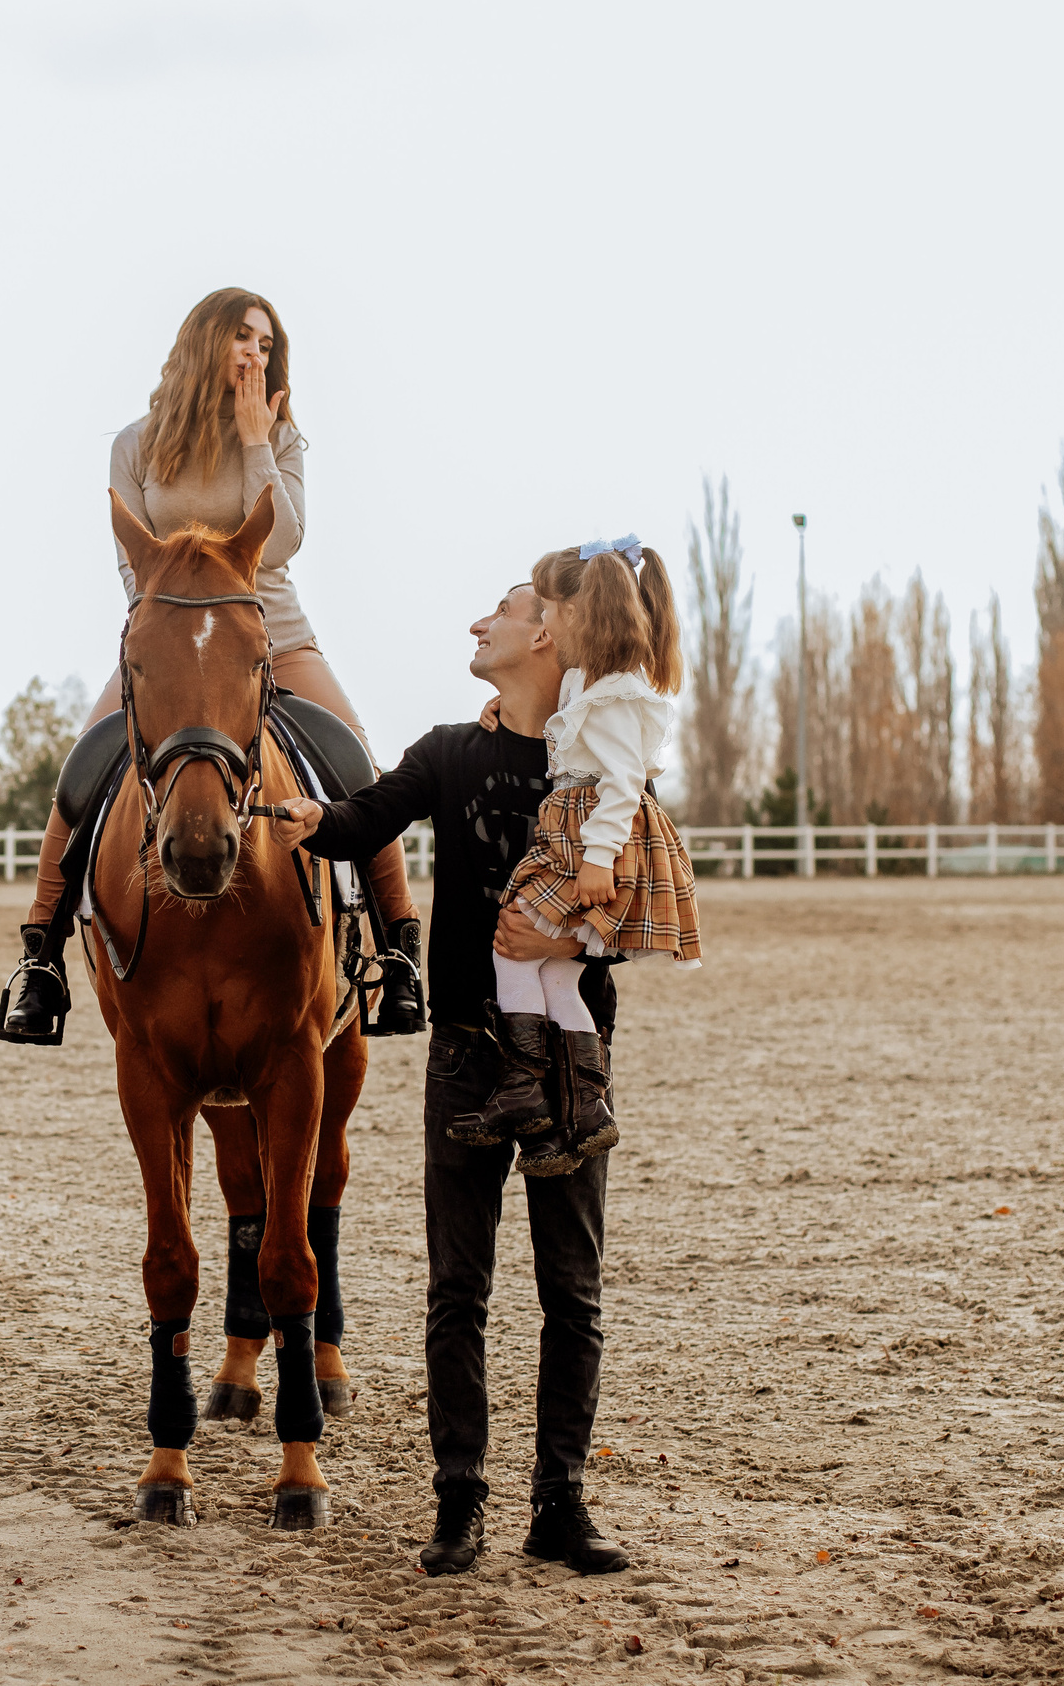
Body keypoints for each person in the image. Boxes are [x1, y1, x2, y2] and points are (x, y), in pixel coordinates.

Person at [267, 578, 632, 1578]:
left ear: (548, 633)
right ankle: (458, 1503)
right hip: (466, 1052)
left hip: (568, 1058)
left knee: (573, 1295)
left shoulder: (603, 764)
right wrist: (304, 815)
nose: (478, 624)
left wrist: (567, 932)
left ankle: (559, 1507)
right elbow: (360, 820)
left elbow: (634, 909)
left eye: (501, 612)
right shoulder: (446, 753)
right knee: (455, 1294)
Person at [0, 287, 424, 1044]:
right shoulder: (135, 443)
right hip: (165, 644)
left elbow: (284, 543)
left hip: (272, 638)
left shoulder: (282, 439)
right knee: (81, 773)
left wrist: (258, 441)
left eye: (266, 343)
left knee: (359, 764)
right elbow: (135, 569)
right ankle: (42, 961)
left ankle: (399, 952)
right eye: (243, 338)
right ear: (206, 342)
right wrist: (156, 641)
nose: (256, 353)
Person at [475, 535, 700, 1174]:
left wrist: (597, 860)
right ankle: (584, 1112)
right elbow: (554, 714)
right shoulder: (585, 681)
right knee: (555, 973)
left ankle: (525, 1093)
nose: (541, 624)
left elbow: (624, 785)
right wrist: (506, 704)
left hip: (592, 838)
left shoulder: (613, 695)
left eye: (545, 610)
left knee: (512, 946)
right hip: (577, 830)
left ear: (575, 615)